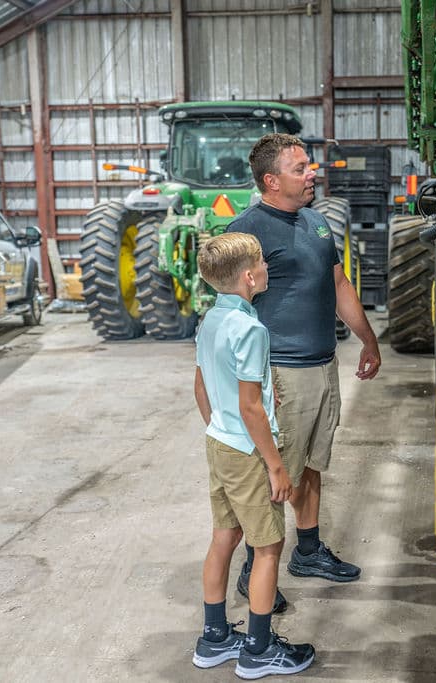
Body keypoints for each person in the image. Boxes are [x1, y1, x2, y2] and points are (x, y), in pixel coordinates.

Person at [227, 133, 382, 612]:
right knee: (277, 477)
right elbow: (230, 316)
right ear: (272, 181)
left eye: (309, 166)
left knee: (312, 465)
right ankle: (257, 571)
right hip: (281, 374)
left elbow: (337, 283)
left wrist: (369, 339)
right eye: (300, 168)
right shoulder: (247, 232)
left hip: (320, 365)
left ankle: (309, 551)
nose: (312, 173)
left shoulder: (316, 223)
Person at [191, 232, 315, 678]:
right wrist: (275, 466)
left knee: (224, 536)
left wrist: (217, 424)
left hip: (219, 442)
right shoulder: (251, 329)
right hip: (246, 451)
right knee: (268, 546)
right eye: (262, 262)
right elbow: (251, 407)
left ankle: (215, 637)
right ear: (249, 276)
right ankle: (259, 650)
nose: (266, 268)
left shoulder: (209, 322)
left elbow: (202, 386)